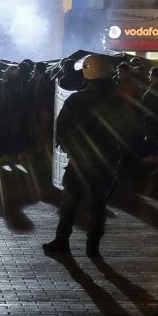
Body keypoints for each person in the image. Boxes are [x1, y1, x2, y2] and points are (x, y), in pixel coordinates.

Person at [43, 55, 122, 258]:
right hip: (105, 161)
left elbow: (61, 128)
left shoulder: (77, 99)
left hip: (79, 160)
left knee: (70, 201)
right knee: (98, 203)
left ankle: (61, 241)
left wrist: (67, 148)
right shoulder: (117, 101)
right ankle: (93, 246)